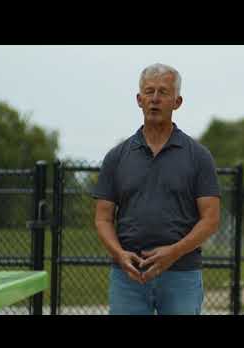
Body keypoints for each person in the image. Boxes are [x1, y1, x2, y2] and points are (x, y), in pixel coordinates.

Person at [92, 63, 221, 315]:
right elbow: (102, 217)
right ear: (138, 100)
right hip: (128, 278)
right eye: (149, 92)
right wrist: (119, 254)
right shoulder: (117, 157)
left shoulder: (199, 156)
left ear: (177, 101)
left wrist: (173, 253)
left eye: (163, 92)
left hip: (182, 275)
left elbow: (211, 219)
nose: (154, 99)